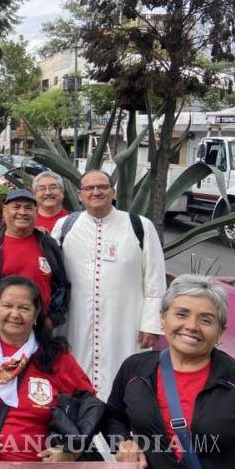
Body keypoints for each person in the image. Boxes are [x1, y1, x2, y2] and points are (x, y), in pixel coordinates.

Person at [104, 275, 235, 469]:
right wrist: (123, 443)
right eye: (181, 314)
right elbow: (113, 416)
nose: (192, 326)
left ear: (220, 332)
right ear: (162, 318)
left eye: (206, 320)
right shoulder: (135, 369)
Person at [0, 276, 96, 462]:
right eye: (7, 305)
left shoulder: (55, 355)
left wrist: (70, 453)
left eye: (24, 308)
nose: (15, 314)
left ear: (36, 315)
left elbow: (89, 404)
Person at [53, 169, 165, 399]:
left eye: (102, 187)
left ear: (113, 191)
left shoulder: (139, 226)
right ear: (80, 194)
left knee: (125, 379)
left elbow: (155, 278)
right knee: (75, 378)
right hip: (76, 321)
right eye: (89, 188)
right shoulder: (65, 226)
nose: (96, 192)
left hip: (125, 324)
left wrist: (151, 324)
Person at [0, 189, 70, 328]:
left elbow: (62, 284)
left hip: (41, 327)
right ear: (5, 212)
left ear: (36, 212)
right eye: (16, 207)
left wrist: (53, 319)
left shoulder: (48, 244)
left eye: (28, 208)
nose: (22, 212)